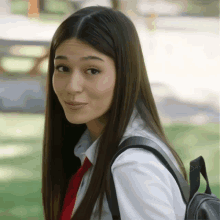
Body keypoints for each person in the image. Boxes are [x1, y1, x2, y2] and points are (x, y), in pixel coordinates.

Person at [41, 5, 188, 220]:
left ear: (125, 75)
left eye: (92, 70)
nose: (72, 86)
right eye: (63, 68)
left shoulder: (133, 167)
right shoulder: (90, 147)